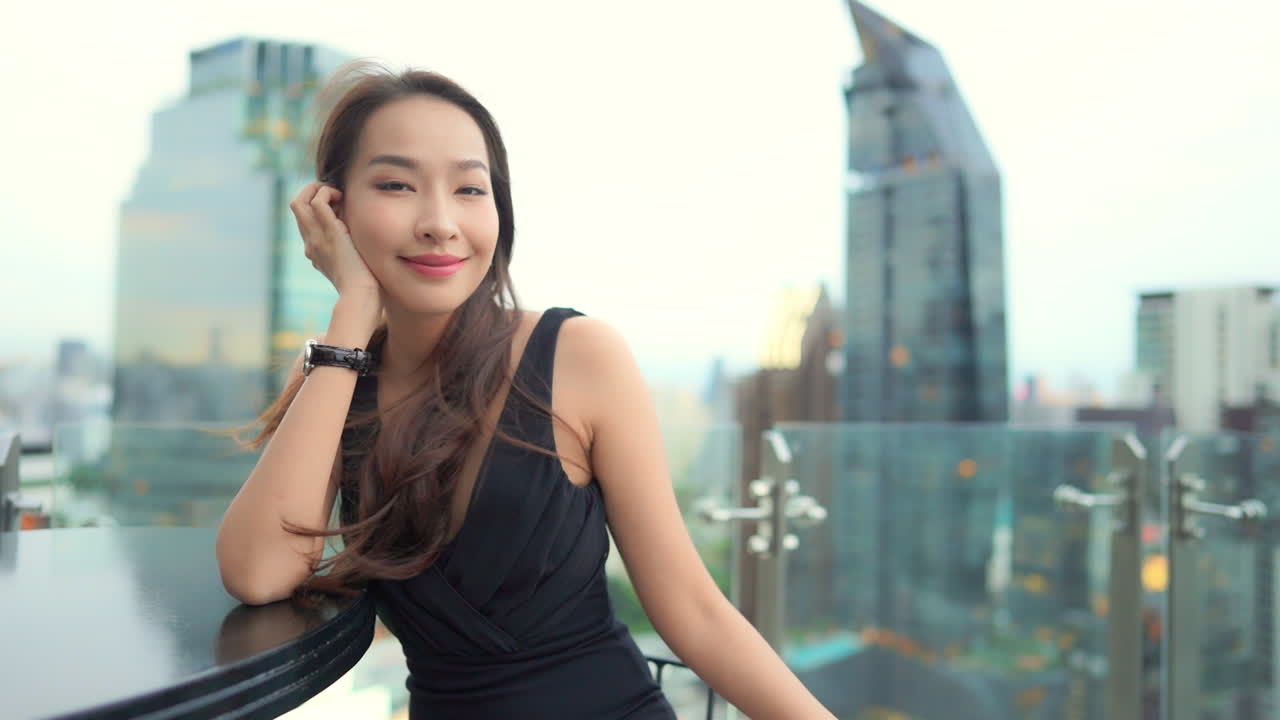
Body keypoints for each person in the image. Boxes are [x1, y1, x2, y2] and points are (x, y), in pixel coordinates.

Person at [215, 60, 835, 720]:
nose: (439, 222)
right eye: (396, 185)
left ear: (499, 211)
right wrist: (353, 307)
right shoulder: (336, 376)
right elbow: (258, 572)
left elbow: (695, 610)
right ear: (334, 209)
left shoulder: (578, 355)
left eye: (469, 190)